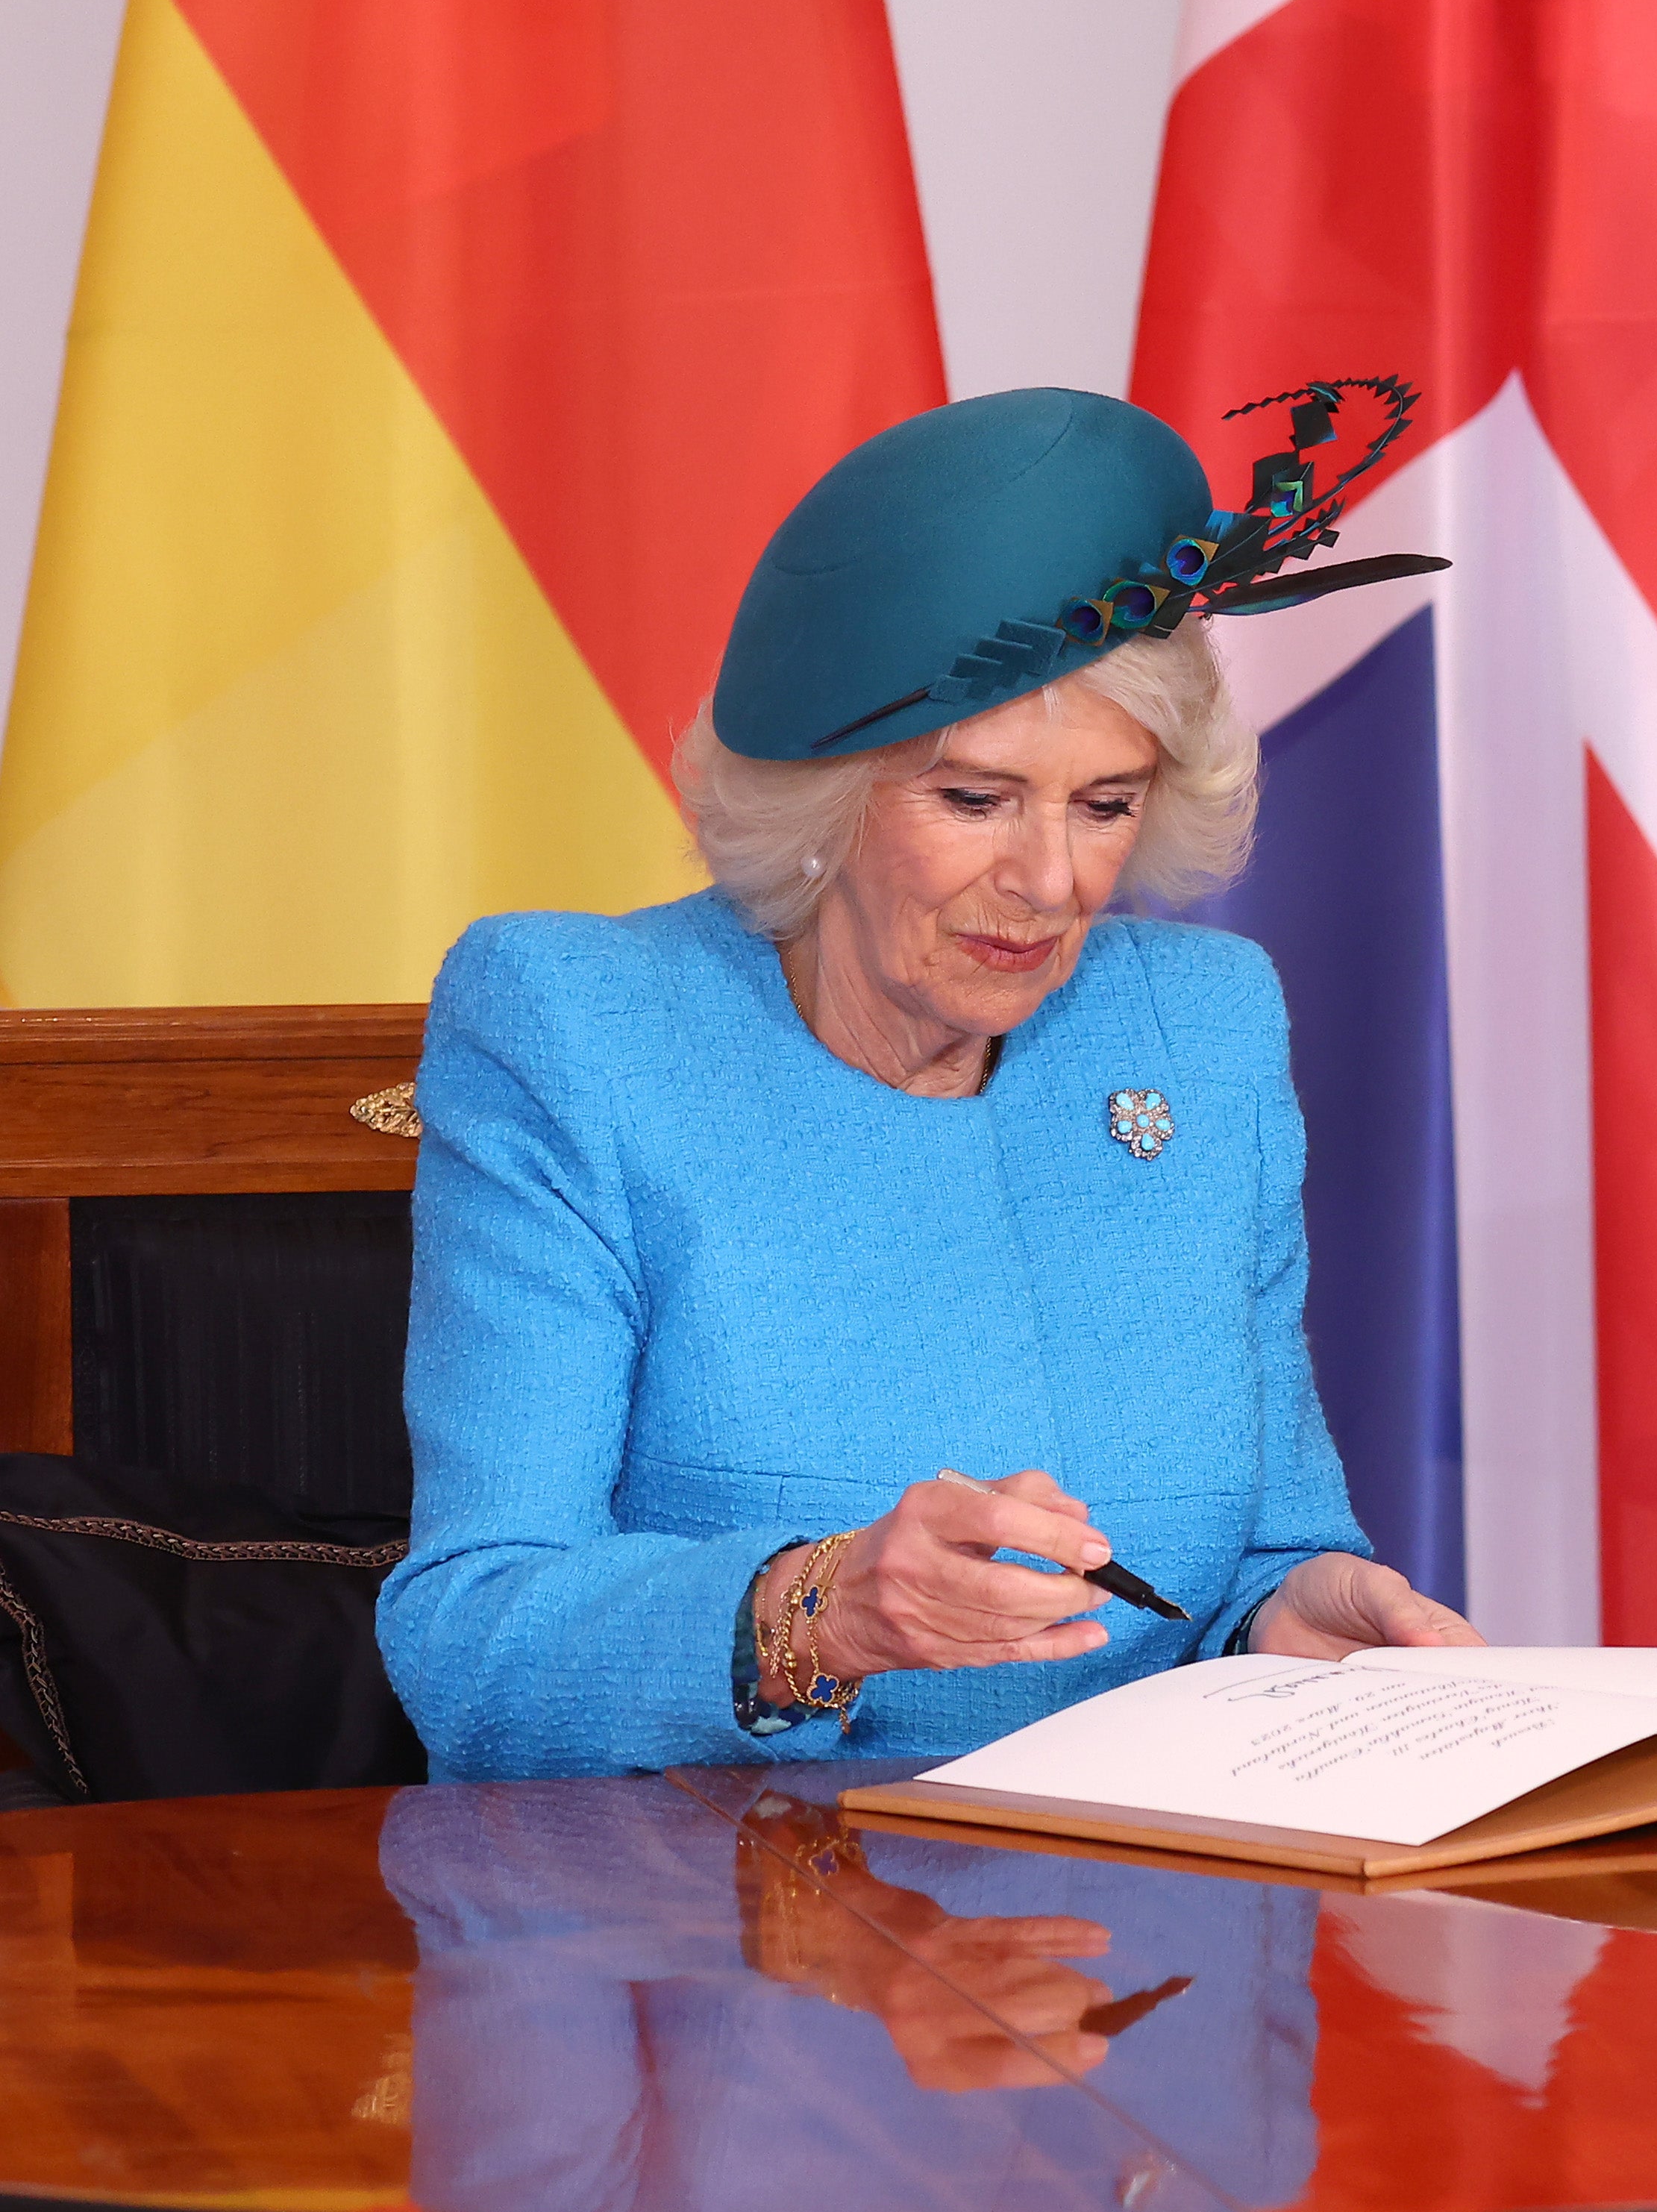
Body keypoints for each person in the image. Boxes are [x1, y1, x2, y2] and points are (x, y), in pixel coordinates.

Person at [380, 386, 1477, 1781]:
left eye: (1106, 803)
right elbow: (466, 1648)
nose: (1054, 882)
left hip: (1163, 1946)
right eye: (973, 800)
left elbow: (1265, 1546)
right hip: (744, 1930)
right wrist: (818, 1615)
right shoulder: (578, 1031)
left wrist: (1288, 1613)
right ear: (824, 797)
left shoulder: (1195, 1028)